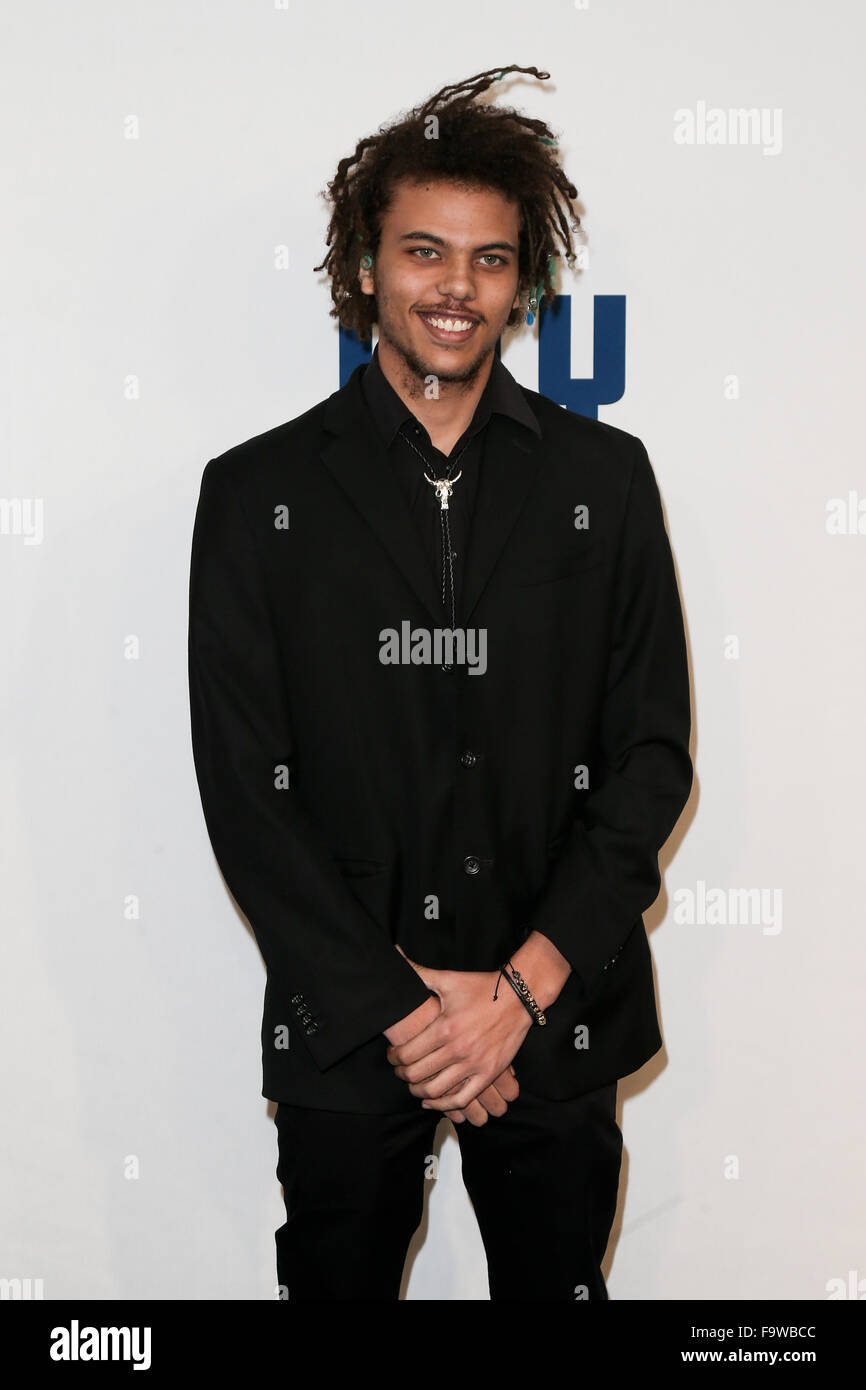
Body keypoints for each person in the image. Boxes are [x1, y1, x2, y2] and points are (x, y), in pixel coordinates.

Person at [187, 63, 693, 1301]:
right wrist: (409, 1016)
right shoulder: (257, 496)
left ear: (521, 282)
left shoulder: (607, 479)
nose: (452, 289)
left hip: (557, 1008)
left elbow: (647, 760)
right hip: (351, 1025)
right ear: (364, 267)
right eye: (423, 252)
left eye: (487, 259)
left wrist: (516, 992)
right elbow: (245, 786)